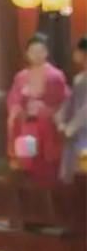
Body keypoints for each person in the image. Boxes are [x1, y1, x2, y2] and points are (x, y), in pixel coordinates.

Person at [6, 33, 69, 185]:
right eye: (33, 51)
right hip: (26, 127)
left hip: (47, 129)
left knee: (47, 169)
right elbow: (13, 101)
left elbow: (64, 102)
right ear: (27, 54)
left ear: (46, 53)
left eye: (40, 51)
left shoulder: (55, 76)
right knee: (26, 167)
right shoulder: (21, 77)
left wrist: (47, 110)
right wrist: (18, 111)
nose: (36, 55)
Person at [55, 36, 87, 182]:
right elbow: (69, 103)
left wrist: (71, 128)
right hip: (76, 133)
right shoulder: (79, 78)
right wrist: (60, 121)